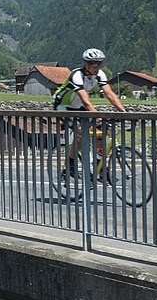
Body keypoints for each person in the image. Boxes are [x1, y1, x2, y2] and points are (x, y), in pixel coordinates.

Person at [52, 48, 127, 195]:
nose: (97, 67)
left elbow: (109, 94)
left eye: (99, 64)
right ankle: (70, 166)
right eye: (94, 65)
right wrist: (96, 116)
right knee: (80, 132)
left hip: (78, 106)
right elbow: (86, 100)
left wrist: (123, 112)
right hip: (63, 106)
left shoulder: (99, 74)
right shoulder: (77, 75)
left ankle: (100, 167)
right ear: (86, 64)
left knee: (100, 133)